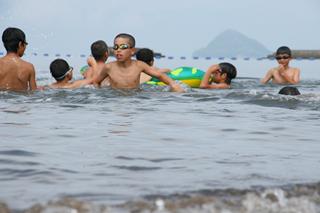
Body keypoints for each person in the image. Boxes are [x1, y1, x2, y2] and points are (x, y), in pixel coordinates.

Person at [88, 33, 184, 92]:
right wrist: (100, 95)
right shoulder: (109, 67)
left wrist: (173, 84)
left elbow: (159, 75)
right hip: (115, 99)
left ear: (132, 51)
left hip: (135, 98)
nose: (118, 50)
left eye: (123, 47)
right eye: (116, 47)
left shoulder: (139, 65)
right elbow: (96, 81)